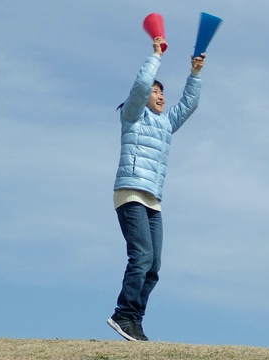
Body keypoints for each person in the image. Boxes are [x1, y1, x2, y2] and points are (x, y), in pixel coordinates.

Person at [107, 36, 206, 341]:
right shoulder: (133, 115)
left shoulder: (165, 124)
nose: (161, 96)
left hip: (153, 200)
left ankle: (133, 320)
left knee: (154, 266)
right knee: (141, 256)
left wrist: (195, 74)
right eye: (155, 91)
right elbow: (139, 86)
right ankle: (123, 314)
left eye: (163, 92)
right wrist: (156, 55)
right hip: (131, 193)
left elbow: (188, 104)